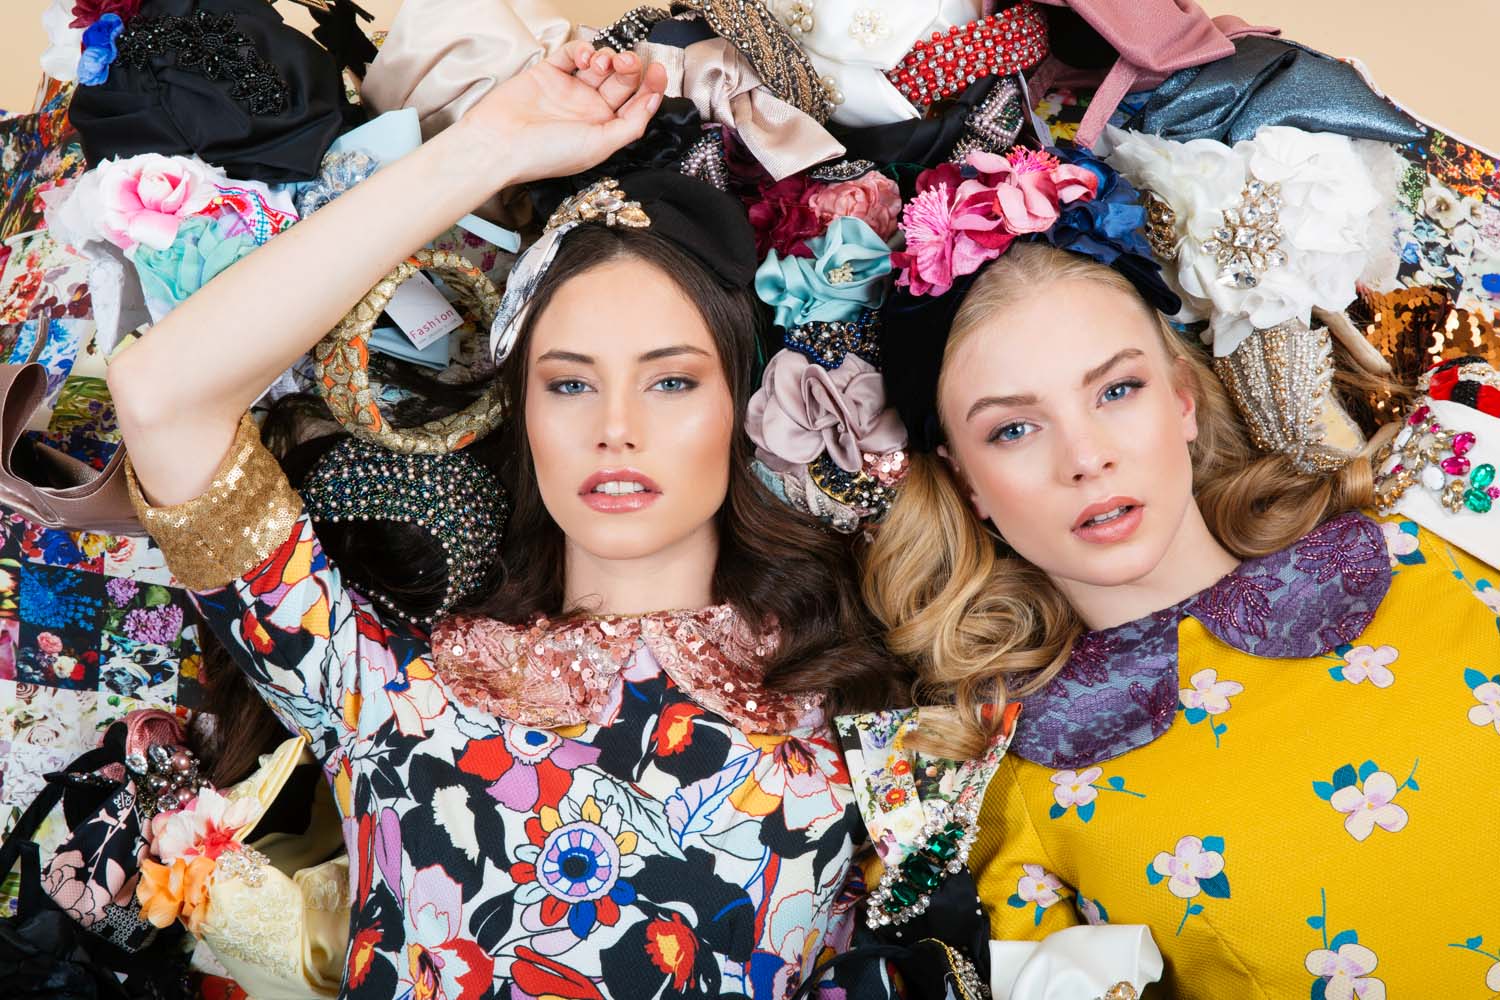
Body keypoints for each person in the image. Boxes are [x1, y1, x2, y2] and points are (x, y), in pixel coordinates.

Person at [109, 40, 902, 999]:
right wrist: (485, 149)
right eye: (569, 383)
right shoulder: (385, 691)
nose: (615, 428)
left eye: (671, 382)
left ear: (743, 405)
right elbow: (159, 396)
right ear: (521, 411)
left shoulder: (859, 711)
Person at [861, 238, 1500, 996]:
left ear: (1184, 399)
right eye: (1014, 429)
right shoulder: (980, 786)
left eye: (1117, 390)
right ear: (967, 482)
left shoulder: (1444, 533)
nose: (1086, 457)